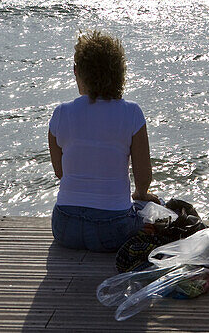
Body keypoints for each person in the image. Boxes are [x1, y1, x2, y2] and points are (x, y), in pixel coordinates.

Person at [48, 30, 153, 251]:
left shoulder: (60, 113)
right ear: (119, 73)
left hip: (65, 226)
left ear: (78, 72)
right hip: (112, 230)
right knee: (150, 209)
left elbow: (61, 173)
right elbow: (143, 177)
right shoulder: (132, 113)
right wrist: (141, 194)